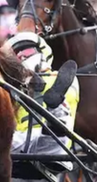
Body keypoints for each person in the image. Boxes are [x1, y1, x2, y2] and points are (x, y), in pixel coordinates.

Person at [8, 32, 79, 171]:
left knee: (59, 112)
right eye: (17, 55)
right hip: (19, 141)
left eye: (27, 51)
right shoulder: (12, 85)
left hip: (52, 143)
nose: (22, 56)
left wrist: (39, 89)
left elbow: (71, 99)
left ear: (43, 53)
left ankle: (54, 114)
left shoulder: (62, 77)